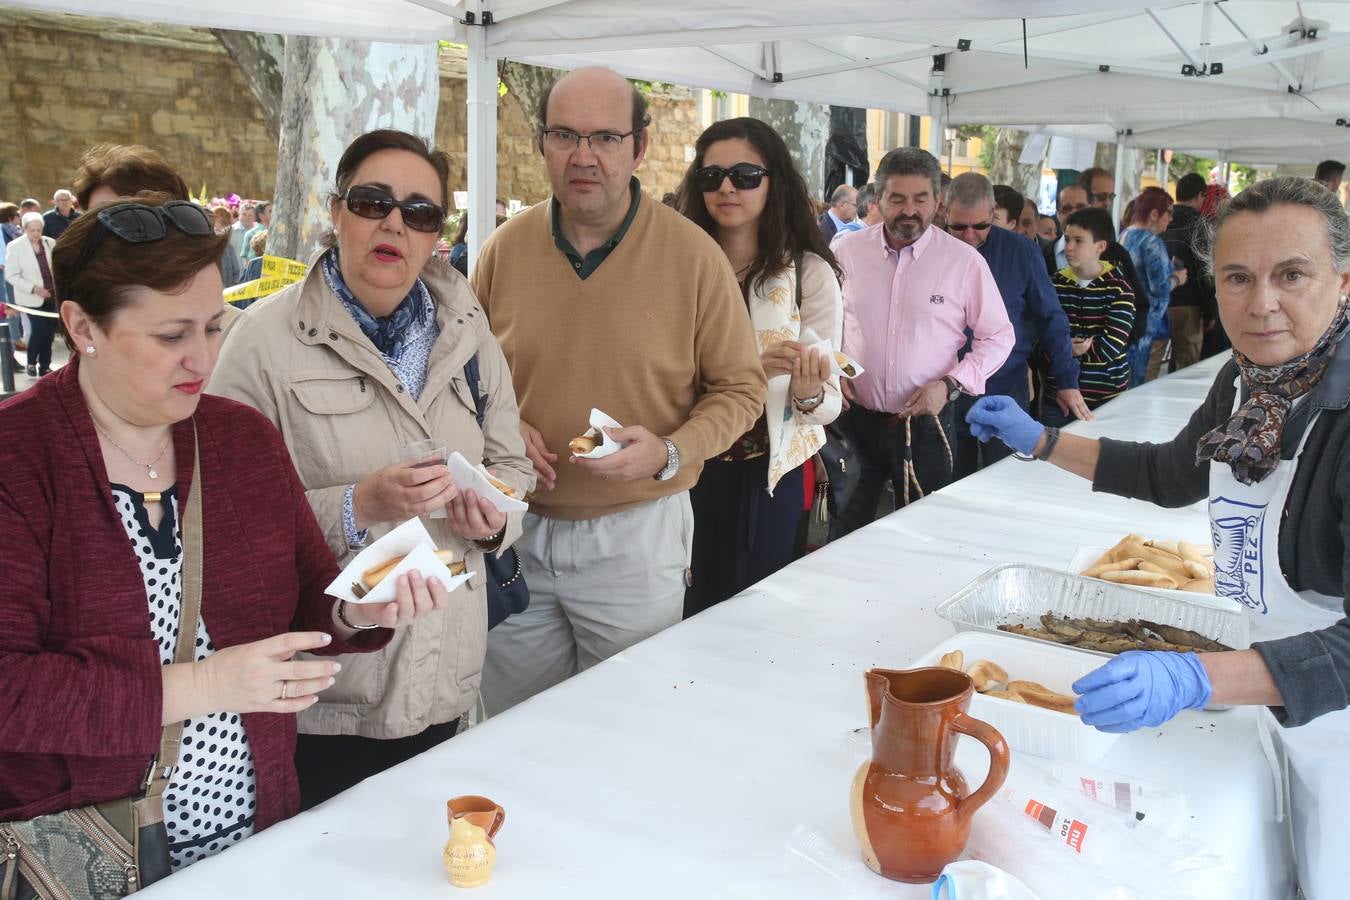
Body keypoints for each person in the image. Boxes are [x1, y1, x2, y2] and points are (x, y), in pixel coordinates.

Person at [0, 193, 448, 877]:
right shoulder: (18, 458)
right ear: (81, 325)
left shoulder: (241, 439)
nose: (203, 358)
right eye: (171, 336)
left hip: (254, 837)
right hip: (80, 851)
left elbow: (303, 598)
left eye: (214, 326)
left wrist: (356, 608)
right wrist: (203, 686)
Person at [966, 175, 1350, 900]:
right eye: (1238, 278)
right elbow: (1173, 474)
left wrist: (1198, 676)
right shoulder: (1249, 382)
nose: (1262, 303)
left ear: (1344, 280)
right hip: (1281, 694)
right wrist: (1044, 441)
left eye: (1291, 275)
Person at [210, 130, 532, 809]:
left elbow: (511, 464)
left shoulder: (470, 334)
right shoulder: (263, 341)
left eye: (419, 212)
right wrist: (358, 505)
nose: (394, 222)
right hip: (325, 695)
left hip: (448, 673)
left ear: (436, 234)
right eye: (373, 201)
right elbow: (221, 515)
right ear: (336, 212)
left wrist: (496, 517)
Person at [470, 67, 765, 714]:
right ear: (541, 143)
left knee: (625, 725)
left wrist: (669, 450)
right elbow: (464, 378)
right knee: (515, 728)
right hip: (516, 529)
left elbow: (740, 391)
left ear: (640, 147)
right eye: (565, 135)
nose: (583, 156)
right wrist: (494, 426)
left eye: (605, 137)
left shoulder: (692, 257)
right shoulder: (501, 252)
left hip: (638, 534)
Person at [675, 116, 843, 616]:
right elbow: (652, 369)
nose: (727, 188)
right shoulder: (678, 265)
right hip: (681, 460)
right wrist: (750, 368)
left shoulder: (808, 273)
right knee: (679, 605)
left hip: (764, 471)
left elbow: (825, 402)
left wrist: (807, 390)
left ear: (775, 181)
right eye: (711, 177)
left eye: (745, 175)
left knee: (752, 614)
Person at [829, 148, 1013, 538]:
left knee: (922, 536)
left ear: (938, 202)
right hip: (854, 420)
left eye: (920, 199)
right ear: (877, 200)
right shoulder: (845, 251)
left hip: (925, 424)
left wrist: (949, 385)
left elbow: (998, 336)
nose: (908, 210)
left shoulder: (964, 262)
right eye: (897, 199)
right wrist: (832, 366)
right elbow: (823, 321)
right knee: (843, 532)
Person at [943, 173, 1086, 478]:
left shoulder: (1020, 251)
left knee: (1006, 478)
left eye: (980, 226)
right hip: (945, 392)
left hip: (1004, 387)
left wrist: (1066, 380)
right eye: (958, 226)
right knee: (947, 485)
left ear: (993, 213)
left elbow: (1051, 317)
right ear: (944, 212)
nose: (969, 235)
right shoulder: (930, 250)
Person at [72, 142, 245, 292]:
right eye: (96, 220)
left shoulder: (223, 323)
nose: (108, 234)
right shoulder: (85, 317)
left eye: (130, 219)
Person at [1044, 207, 1135, 415]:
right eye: (1066, 239)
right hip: (1059, 396)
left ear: (1100, 246)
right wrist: (1065, 349)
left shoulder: (1119, 287)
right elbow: (1043, 336)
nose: (1069, 247)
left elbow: (1112, 345)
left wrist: (1065, 350)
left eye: (1078, 241)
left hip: (1107, 397)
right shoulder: (1053, 283)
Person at [1122, 186, 1187, 384]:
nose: (1171, 218)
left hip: (1125, 318)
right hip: (1144, 322)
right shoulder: (1150, 241)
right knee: (1136, 378)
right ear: (1154, 214)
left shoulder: (1125, 234)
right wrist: (1178, 278)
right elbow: (1159, 287)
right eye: (1169, 212)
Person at [1163, 172, 1215, 372]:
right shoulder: (1201, 225)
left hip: (1158, 304)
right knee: (1187, 369)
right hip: (1189, 305)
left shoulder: (1162, 220)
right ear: (1200, 195)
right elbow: (1205, 271)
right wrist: (1210, 311)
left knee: (1152, 369)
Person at [5, 211, 58, 376]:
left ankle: (45, 366)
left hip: (51, 296)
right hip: (30, 298)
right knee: (39, 329)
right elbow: (11, 275)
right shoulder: (15, 246)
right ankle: (31, 362)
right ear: (25, 229)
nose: (36, 234)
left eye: (39, 230)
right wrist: (34, 289)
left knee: (49, 332)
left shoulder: (50, 243)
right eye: (32, 230)